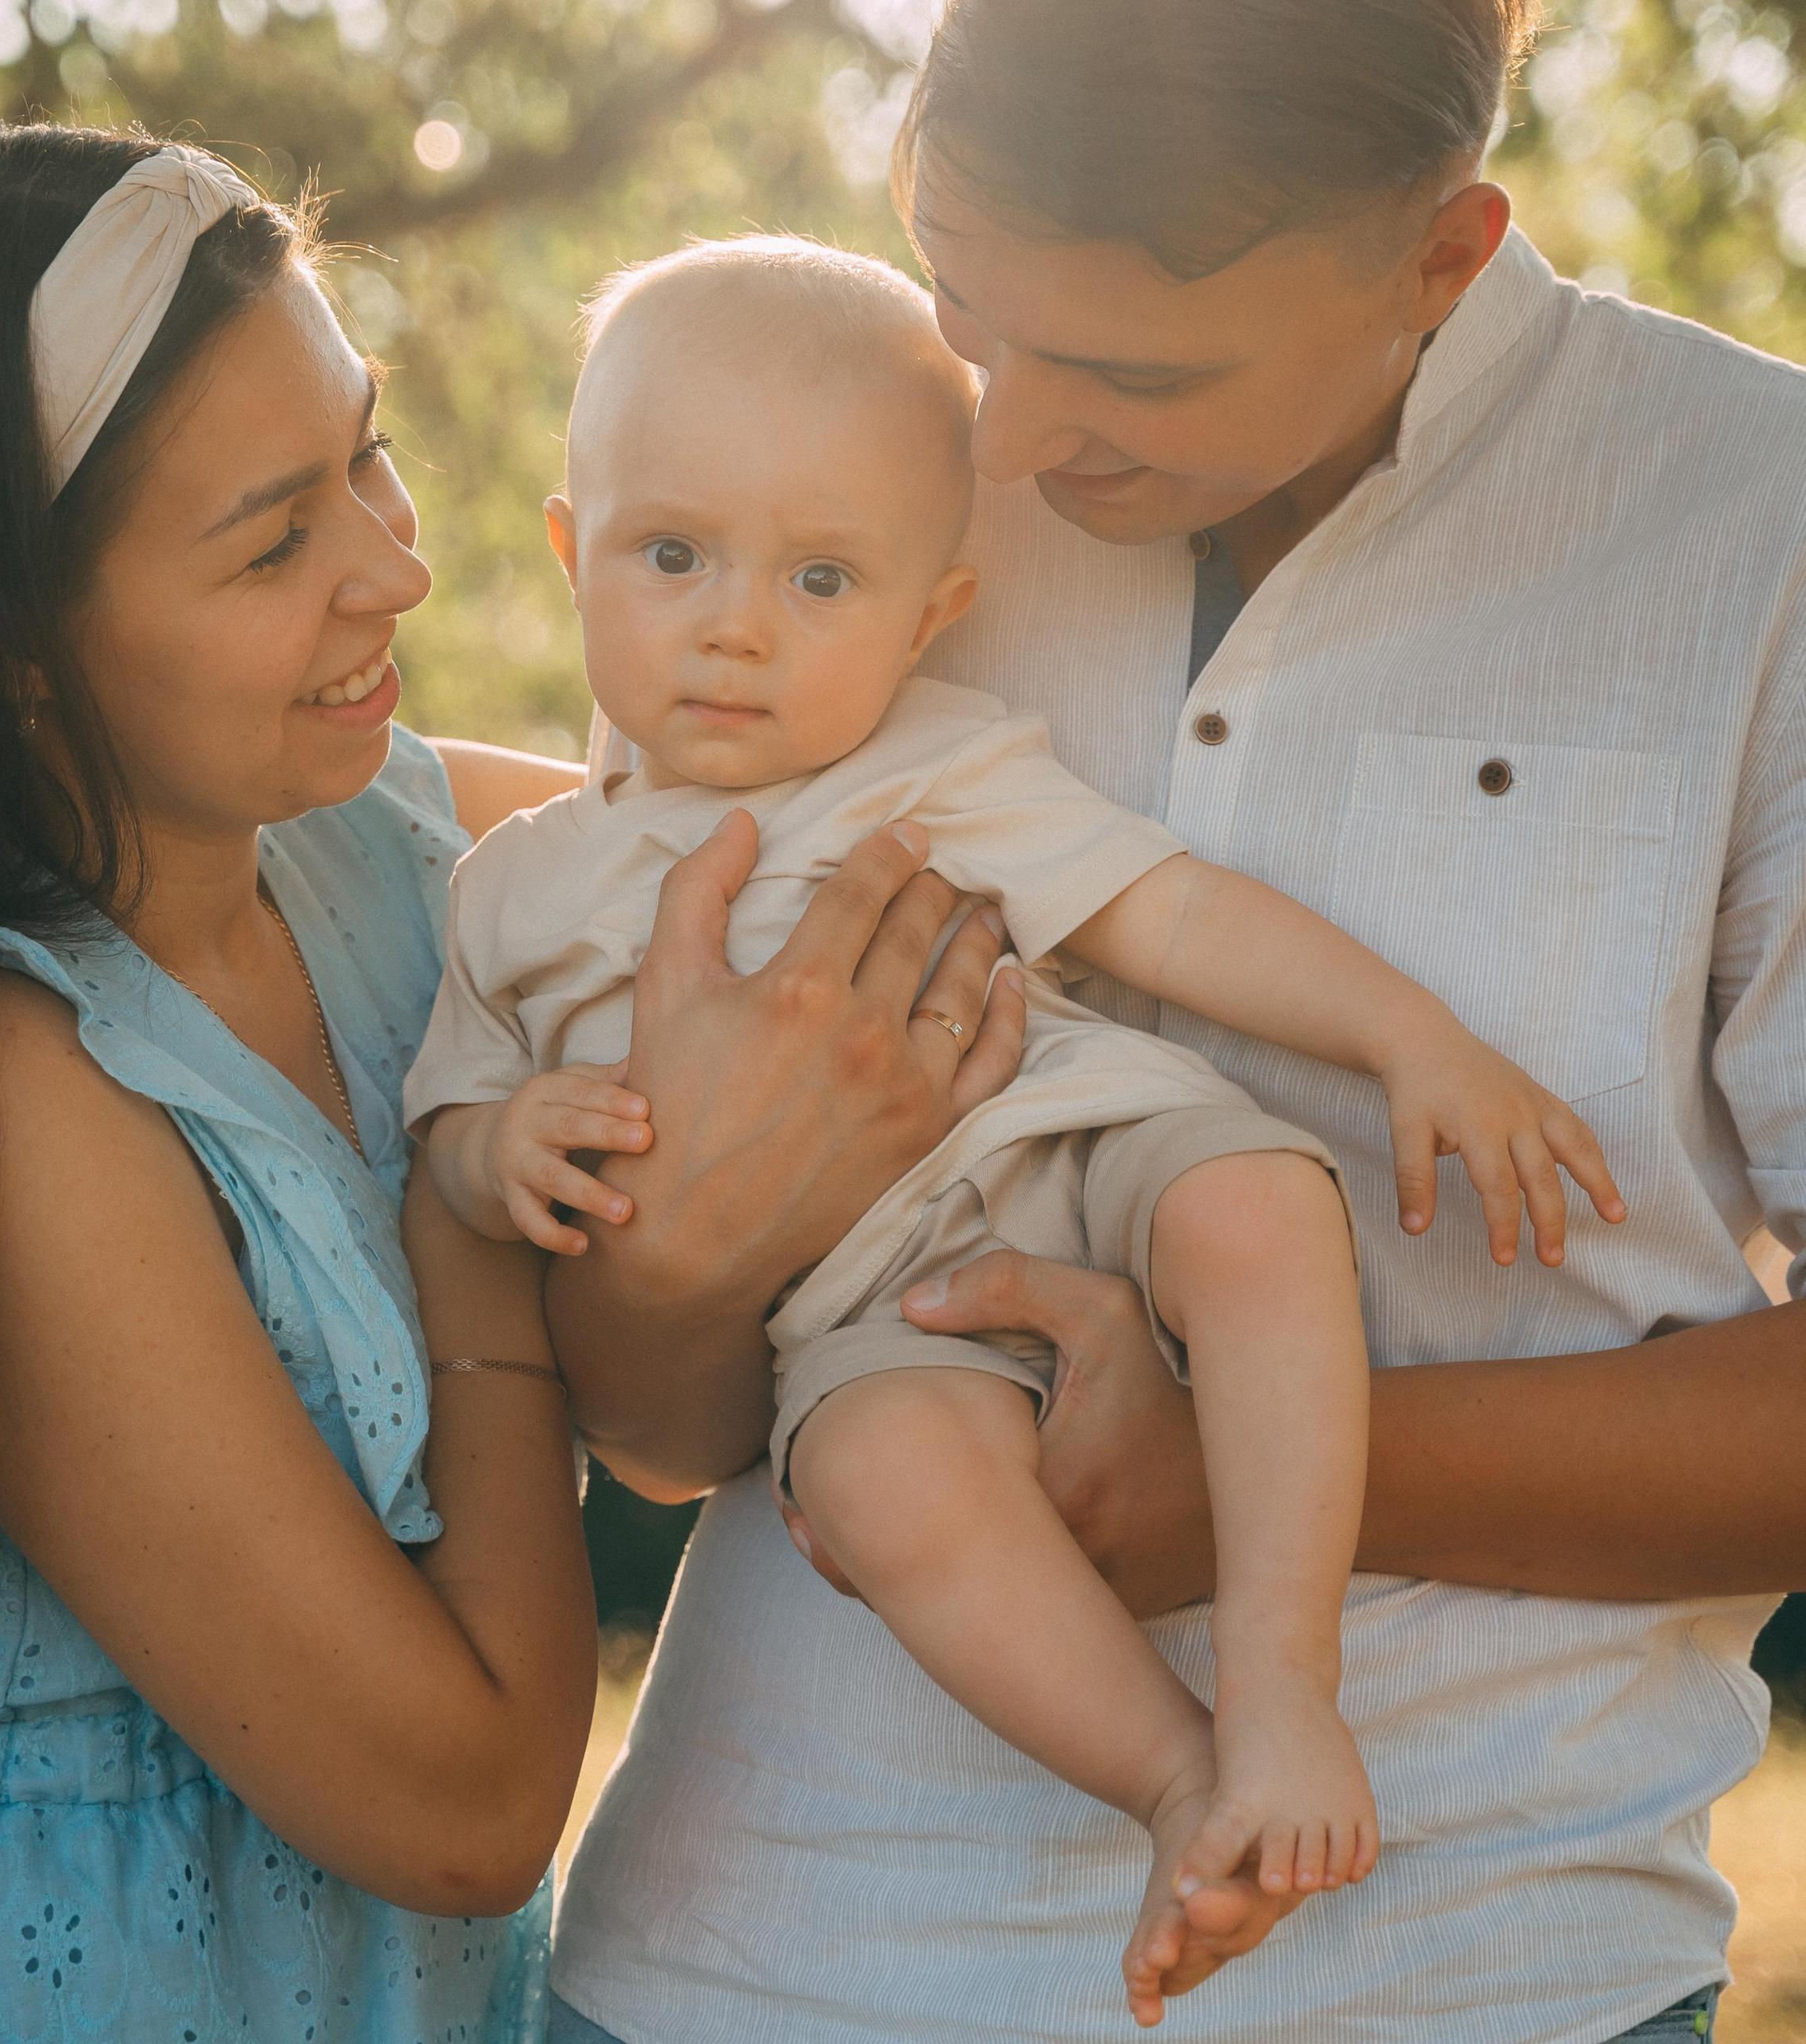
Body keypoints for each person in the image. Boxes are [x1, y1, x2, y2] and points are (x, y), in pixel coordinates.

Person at [545, 2, 1806, 2040]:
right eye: (966, 306)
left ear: (1442, 253)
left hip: (1462, 1967)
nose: (1010, 439)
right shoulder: (810, 479)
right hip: (748, 1951)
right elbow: (656, 1422)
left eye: (1138, 370)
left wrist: (1260, 1469)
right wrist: (680, 1239)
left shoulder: (1756, 529)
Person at [415, 236, 1630, 2019]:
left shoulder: (935, 760)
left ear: (928, 611)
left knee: (1257, 1205)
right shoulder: (518, 888)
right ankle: (1178, 1779)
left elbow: (1174, 916)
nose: (734, 622)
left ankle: (1284, 1682)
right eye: (669, 554)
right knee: (881, 1482)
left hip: (1072, 1136)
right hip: (863, 1312)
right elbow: (450, 1114)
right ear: (564, 546)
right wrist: (501, 1139)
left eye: (820, 577)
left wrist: (1407, 1034)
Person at [0, 124, 626, 2041]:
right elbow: (465, 1798)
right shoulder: (5, 1087)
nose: (396, 566)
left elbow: (757, 859)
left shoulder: (381, 838)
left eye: (368, 451)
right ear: (13, 657)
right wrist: (477, 1247)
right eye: (275, 539)